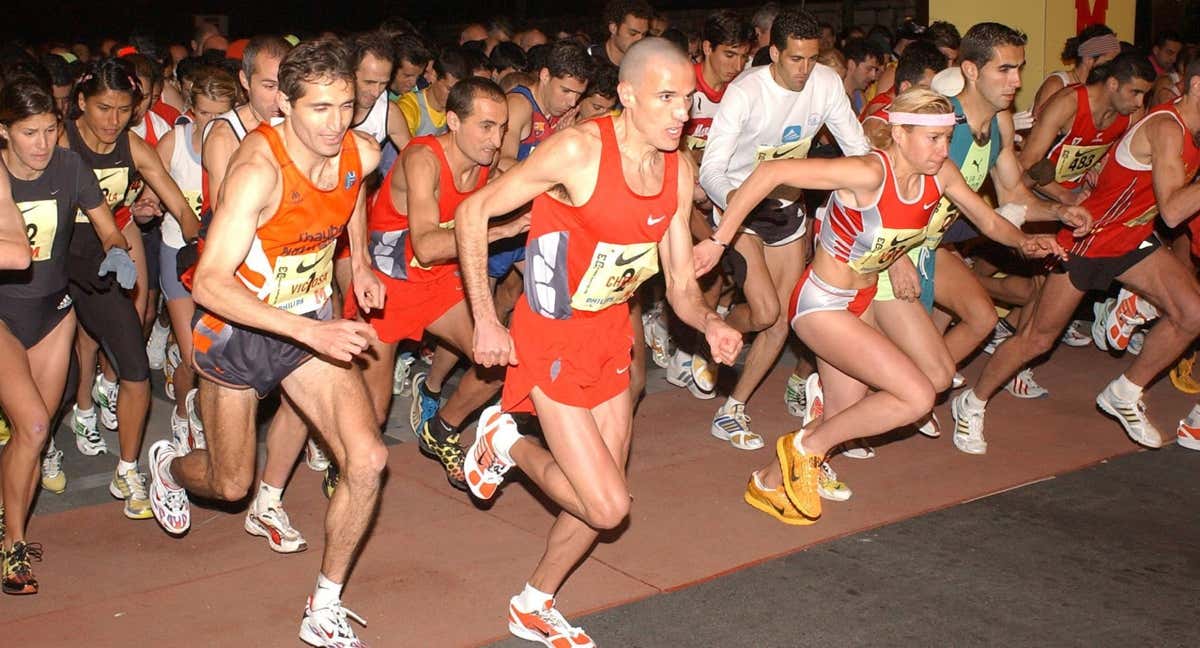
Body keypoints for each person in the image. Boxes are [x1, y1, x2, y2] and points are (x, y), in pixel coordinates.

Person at [456, 38, 742, 646]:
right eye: (665, 98)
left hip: (610, 331)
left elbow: (682, 289)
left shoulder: (676, 170)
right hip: (549, 333)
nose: (678, 113)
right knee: (609, 507)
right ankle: (505, 442)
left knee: (603, 491)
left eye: (686, 99)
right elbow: (472, 212)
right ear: (628, 95)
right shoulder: (579, 151)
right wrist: (485, 317)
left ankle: (533, 603)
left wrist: (711, 323)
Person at [715, 88, 1063, 523]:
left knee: (845, 414)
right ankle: (803, 449)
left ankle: (766, 483)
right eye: (932, 140)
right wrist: (717, 241)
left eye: (945, 139)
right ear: (899, 134)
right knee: (916, 396)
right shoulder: (866, 172)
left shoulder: (940, 175)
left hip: (862, 299)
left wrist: (1024, 241)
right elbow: (770, 172)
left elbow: (989, 219)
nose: (942, 150)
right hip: (821, 304)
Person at [145, 39, 387, 647]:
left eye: (346, 105)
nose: (336, 123)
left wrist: (358, 262)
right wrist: (311, 329)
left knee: (369, 461)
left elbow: (351, 187)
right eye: (319, 109)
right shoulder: (258, 172)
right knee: (230, 485)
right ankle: (169, 467)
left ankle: (323, 605)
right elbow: (211, 286)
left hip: (308, 325)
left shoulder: (362, 148)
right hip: (240, 331)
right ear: (284, 104)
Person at [953, 58, 1200, 455]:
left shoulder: (1153, 122)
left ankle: (1125, 390)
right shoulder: (1167, 128)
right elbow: (1173, 211)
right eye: (1133, 90)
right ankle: (973, 401)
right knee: (1037, 338)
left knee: (1192, 312)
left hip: (1132, 237)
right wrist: (1061, 198)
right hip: (1090, 237)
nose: (1137, 99)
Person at [696, 8, 870, 450]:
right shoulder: (745, 92)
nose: (804, 70)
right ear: (773, 52)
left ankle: (731, 407)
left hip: (788, 209)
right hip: (740, 210)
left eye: (812, 59)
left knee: (784, 318)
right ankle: (716, 330)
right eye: (795, 59)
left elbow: (857, 150)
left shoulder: (825, 84)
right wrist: (734, 201)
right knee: (765, 311)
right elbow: (711, 169)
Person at [350, 77, 525, 490]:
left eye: (501, 127)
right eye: (485, 126)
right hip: (389, 285)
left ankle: (442, 428)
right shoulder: (422, 158)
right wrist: (502, 230)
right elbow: (427, 246)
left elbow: (543, 171)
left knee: (502, 362)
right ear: (452, 121)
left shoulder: (490, 162)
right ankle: (346, 460)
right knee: (372, 417)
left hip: (439, 282)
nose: (495, 139)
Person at [0, 78, 131, 595]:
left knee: (33, 439)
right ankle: (14, 547)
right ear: (4, 132)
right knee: (32, 428)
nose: (42, 144)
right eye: (29, 132)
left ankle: (9, 524)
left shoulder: (70, 167)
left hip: (54, 314)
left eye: (51, 130)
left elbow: (106, 225)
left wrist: (117, 247)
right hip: (3, 316)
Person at [62, 57, 200, 520]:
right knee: (53, 376)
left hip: (105, 261)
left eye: (123, 110)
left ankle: (128, 469)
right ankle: (61, 425)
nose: (112, 121)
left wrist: (195, 237)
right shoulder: (57, 141)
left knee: (136, 368)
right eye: (103, 108)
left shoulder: (132, 146)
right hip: (48, 267)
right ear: (81, 103)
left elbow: (177, 201)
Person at [155, 67, 239, 450]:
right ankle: (184, 416)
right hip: (178, 253)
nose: (211, 122)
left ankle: (202, 413)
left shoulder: (243, 144)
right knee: (194, 356)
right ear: (191, 108)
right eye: (204, 113)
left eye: (220, 114)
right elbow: (148, 185)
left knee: (216, 356)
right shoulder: (175, 142)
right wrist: (146, 204)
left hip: (221, 260)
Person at [1019, 52, 1153, 205]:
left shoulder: (1132, 113)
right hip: (1039, 189)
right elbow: (1027, 162)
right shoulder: (1068, 102)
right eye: (1135, 92)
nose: (1139, 102)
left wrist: (1097, 170)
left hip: (1080, 191)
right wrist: (1064, 196)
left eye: (1144, 95)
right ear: (1113, 84)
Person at [1031, 25, 1119, 116]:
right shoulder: (1056, 84)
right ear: (1088, 59)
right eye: (1109, 61)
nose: (1115, 67)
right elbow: (1038, 125)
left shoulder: (1102, 88)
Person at [587, 0, 653, 66]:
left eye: (644, 34)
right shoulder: (589, 60)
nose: (640, 40)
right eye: (633, 33)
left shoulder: (643, 64)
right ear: (613, 28)